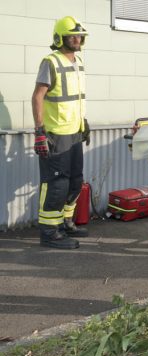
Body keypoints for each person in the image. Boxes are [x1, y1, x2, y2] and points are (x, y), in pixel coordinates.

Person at [32, 16, 91, 249]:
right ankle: (49, 232)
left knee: (75, 181)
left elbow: (75, 98)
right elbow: (38, 96)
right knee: (56, 183)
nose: (77, 39)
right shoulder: (51, 61)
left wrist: (83, 122)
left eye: (80, 36)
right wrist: (39, 132)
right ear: (60, 38)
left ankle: (66, 222)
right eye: (72, 36)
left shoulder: (78, 62)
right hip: (56, 134)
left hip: (74, 131)